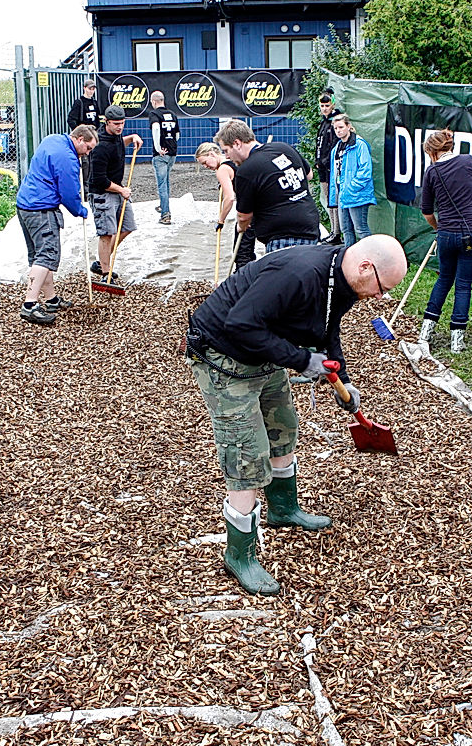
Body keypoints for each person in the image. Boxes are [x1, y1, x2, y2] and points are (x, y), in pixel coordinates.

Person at [185, 235, 408, 595]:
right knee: (246, 453)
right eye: (383, 287)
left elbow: (326, 328)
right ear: (366, 267)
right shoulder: (299, 273)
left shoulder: (342, 277)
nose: (381, 297)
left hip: (264, 348)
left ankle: (283, 508)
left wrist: (345, 381)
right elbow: (239, 324)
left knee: (283, 427)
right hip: (224, 353)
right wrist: (303, 360)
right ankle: (239, 555)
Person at [14, 125, 98, 326]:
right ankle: (29, 305)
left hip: (25, 204)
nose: (87, 153)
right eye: (87, 148)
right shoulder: (68, 159)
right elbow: (68, 193)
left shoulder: (52, 139)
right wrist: (80, 210)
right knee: (46, 255)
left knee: (39, 256)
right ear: (78, 139)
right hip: (41, 209)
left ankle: (51, 300)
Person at [416, 129, 472, 354]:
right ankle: (457, 340)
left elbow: (427, 211)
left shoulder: (431, 172)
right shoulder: (468, 161)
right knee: (463, 284)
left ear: (433, 152)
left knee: (444, 279)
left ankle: (425, 332)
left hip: (446, 233)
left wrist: (439, 229)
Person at [215, 119, 320, 253]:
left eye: (226, 151)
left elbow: (243, 216)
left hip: (283, 235)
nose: (227, 157)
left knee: (283, 273)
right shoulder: (283, 148)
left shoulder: (246, 171)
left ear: (237, 143)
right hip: (310, 224)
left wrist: (241, 227)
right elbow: (309, 174)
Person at [88, 105, 143, 280]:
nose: (119, 127)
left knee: (127, 226)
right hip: (103, 194)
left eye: (122, 123)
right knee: (106, 233)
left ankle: (101, 262)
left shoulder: (117, 136)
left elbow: (118, 143)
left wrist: (132, 137)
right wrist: (122, 190)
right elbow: (100, 180)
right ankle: (106, 273)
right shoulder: (100, 146)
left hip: (118, 191)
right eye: (116, 124)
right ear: (107, 123)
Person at [195, 141, 255, 271]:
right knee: (248, 250)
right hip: (258, 208)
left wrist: (221, 220)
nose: (206, 166)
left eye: (205, 162)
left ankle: (242, 283)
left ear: (212, 154)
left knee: (241, 254)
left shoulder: (222, 169)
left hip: (248, 213)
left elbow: (229, 198)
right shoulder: (234, 161)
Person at [328, 114, 375, 243]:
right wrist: (335, 195)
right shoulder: (336, 148)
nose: (338, 130)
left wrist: (352, 187)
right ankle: (349, 258)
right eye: (336, 128)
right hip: (342, 194)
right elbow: (334, 174)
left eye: (341, 127)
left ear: (349, 126)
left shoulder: (359, 145)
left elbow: (365, 171)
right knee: (346, 230)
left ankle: (370, 256)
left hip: (356, 195)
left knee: (361, 229)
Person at [147, 90, 180, 225]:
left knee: (162, 185)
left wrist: (158, 147)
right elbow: (177, 135)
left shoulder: (154, 114)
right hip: (172, 152)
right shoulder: (172, 114)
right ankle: (163, 205)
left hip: (161, 154)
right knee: (166, 181)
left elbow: (155, 128)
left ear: (154, 101)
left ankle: (165, 214)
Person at [315, 94, 342, 241]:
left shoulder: (334, 122)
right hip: (322, 167)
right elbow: (320, 144)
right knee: (327, 198)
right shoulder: (324, 122)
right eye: (322, 106)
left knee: (333, 199)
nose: (325, 109)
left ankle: (337, 232)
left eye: (327, 106)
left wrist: (325, 161)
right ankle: (333, 230)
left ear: (332, 105)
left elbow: (333, 146)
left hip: (331, 167)